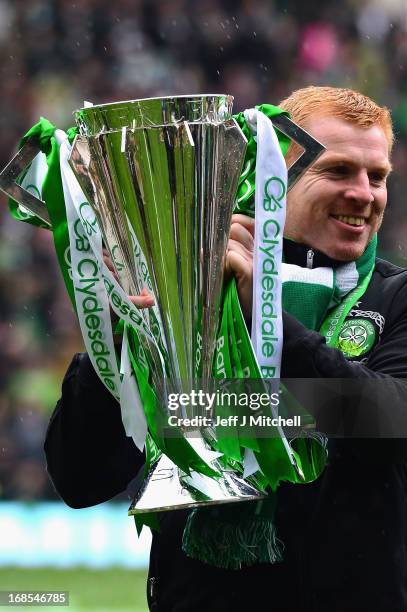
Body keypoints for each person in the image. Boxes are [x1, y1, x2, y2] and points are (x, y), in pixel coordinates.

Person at [44, 87, 407, 612]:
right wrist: (123, 329)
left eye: (377, 177)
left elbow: (389, 425)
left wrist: (264, 313)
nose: (364, 193)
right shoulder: (191, 296)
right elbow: (81, 477)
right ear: (275, 173)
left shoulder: (395, 299)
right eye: (339, 171)